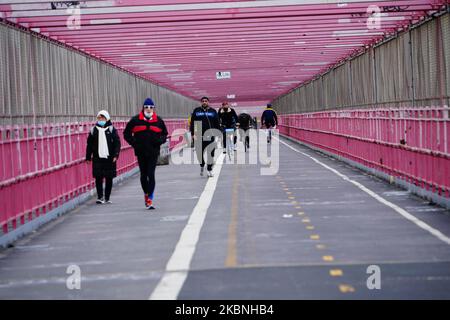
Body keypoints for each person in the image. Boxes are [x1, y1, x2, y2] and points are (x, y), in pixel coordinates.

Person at [124, 98, 168, 210]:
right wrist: (134, 144)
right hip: (140, 152)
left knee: (151, 174)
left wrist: (159, 141)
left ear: (154, 108)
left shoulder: (158, 121)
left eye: (151, 107)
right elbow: (126, 134)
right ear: (143, 108)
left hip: (153, 152)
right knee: (143, 175)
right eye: (146, 107)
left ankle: (150, 198)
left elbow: (165, 134)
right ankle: (146, 193)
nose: (148, 109)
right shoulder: (135, 120)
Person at [86, 110, 121, 204]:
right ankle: (100, 197)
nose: (101, 120)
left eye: (103, 118)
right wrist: (88, 157)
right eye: (99, 118)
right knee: (98, 177)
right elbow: (89, 144)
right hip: (97, 158)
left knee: (109, 178)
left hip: (109, 158)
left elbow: (117, 143)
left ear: (107, 118)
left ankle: (107, 197)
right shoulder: (94, 130)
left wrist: (116, 155)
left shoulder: (111, 129)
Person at [190, 96, 220, 177]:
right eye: (203, 101)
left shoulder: (213, 111)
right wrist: (193, 134)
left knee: (211, 153)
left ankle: (209, 169)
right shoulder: (196, 111)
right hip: (198, 134)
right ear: (201, 102)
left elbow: (217, 122)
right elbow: (192, 123)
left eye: (206, 101)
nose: (204, 102)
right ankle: (202, 164)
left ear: (208, 102)